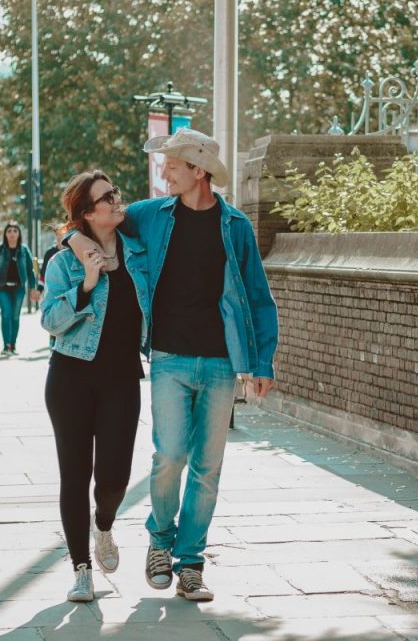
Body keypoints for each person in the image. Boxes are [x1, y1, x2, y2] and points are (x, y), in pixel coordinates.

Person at [69, 127, 278, 602]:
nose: (163, 172)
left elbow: (260, 298)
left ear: (198, 171)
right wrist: (81, 250)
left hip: (223, 362)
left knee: (208, 466)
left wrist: (262, 360)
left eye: (172, 166)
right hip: (168, 357)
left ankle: (190, 564)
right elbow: (89, 227)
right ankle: (159, 543)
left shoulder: (236, 226)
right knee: (170, 457)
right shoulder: (150, 215)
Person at [40, 170, 151, 603]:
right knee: (74, 475)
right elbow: (50, 320)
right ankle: (81, 568)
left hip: (123, 379)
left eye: (116, 193)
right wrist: (85, 284)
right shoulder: (63, 262)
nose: (117, 200)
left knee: (115, 477)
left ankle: (103, 524)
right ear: (88, 212)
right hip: (71, 378)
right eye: (108, 197)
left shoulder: (138, 252)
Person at [0, 221, 40, 356]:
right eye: (9, 231)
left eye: (15, 231)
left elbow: (31, 271)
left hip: (19, 289)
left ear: (19, 234)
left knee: (15, 317)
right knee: (6, 314)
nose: (12, 233)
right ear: (5, 234)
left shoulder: (24, 250)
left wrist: (32, 288)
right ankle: (6, 346)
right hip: (3, 288)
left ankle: (13, 345)